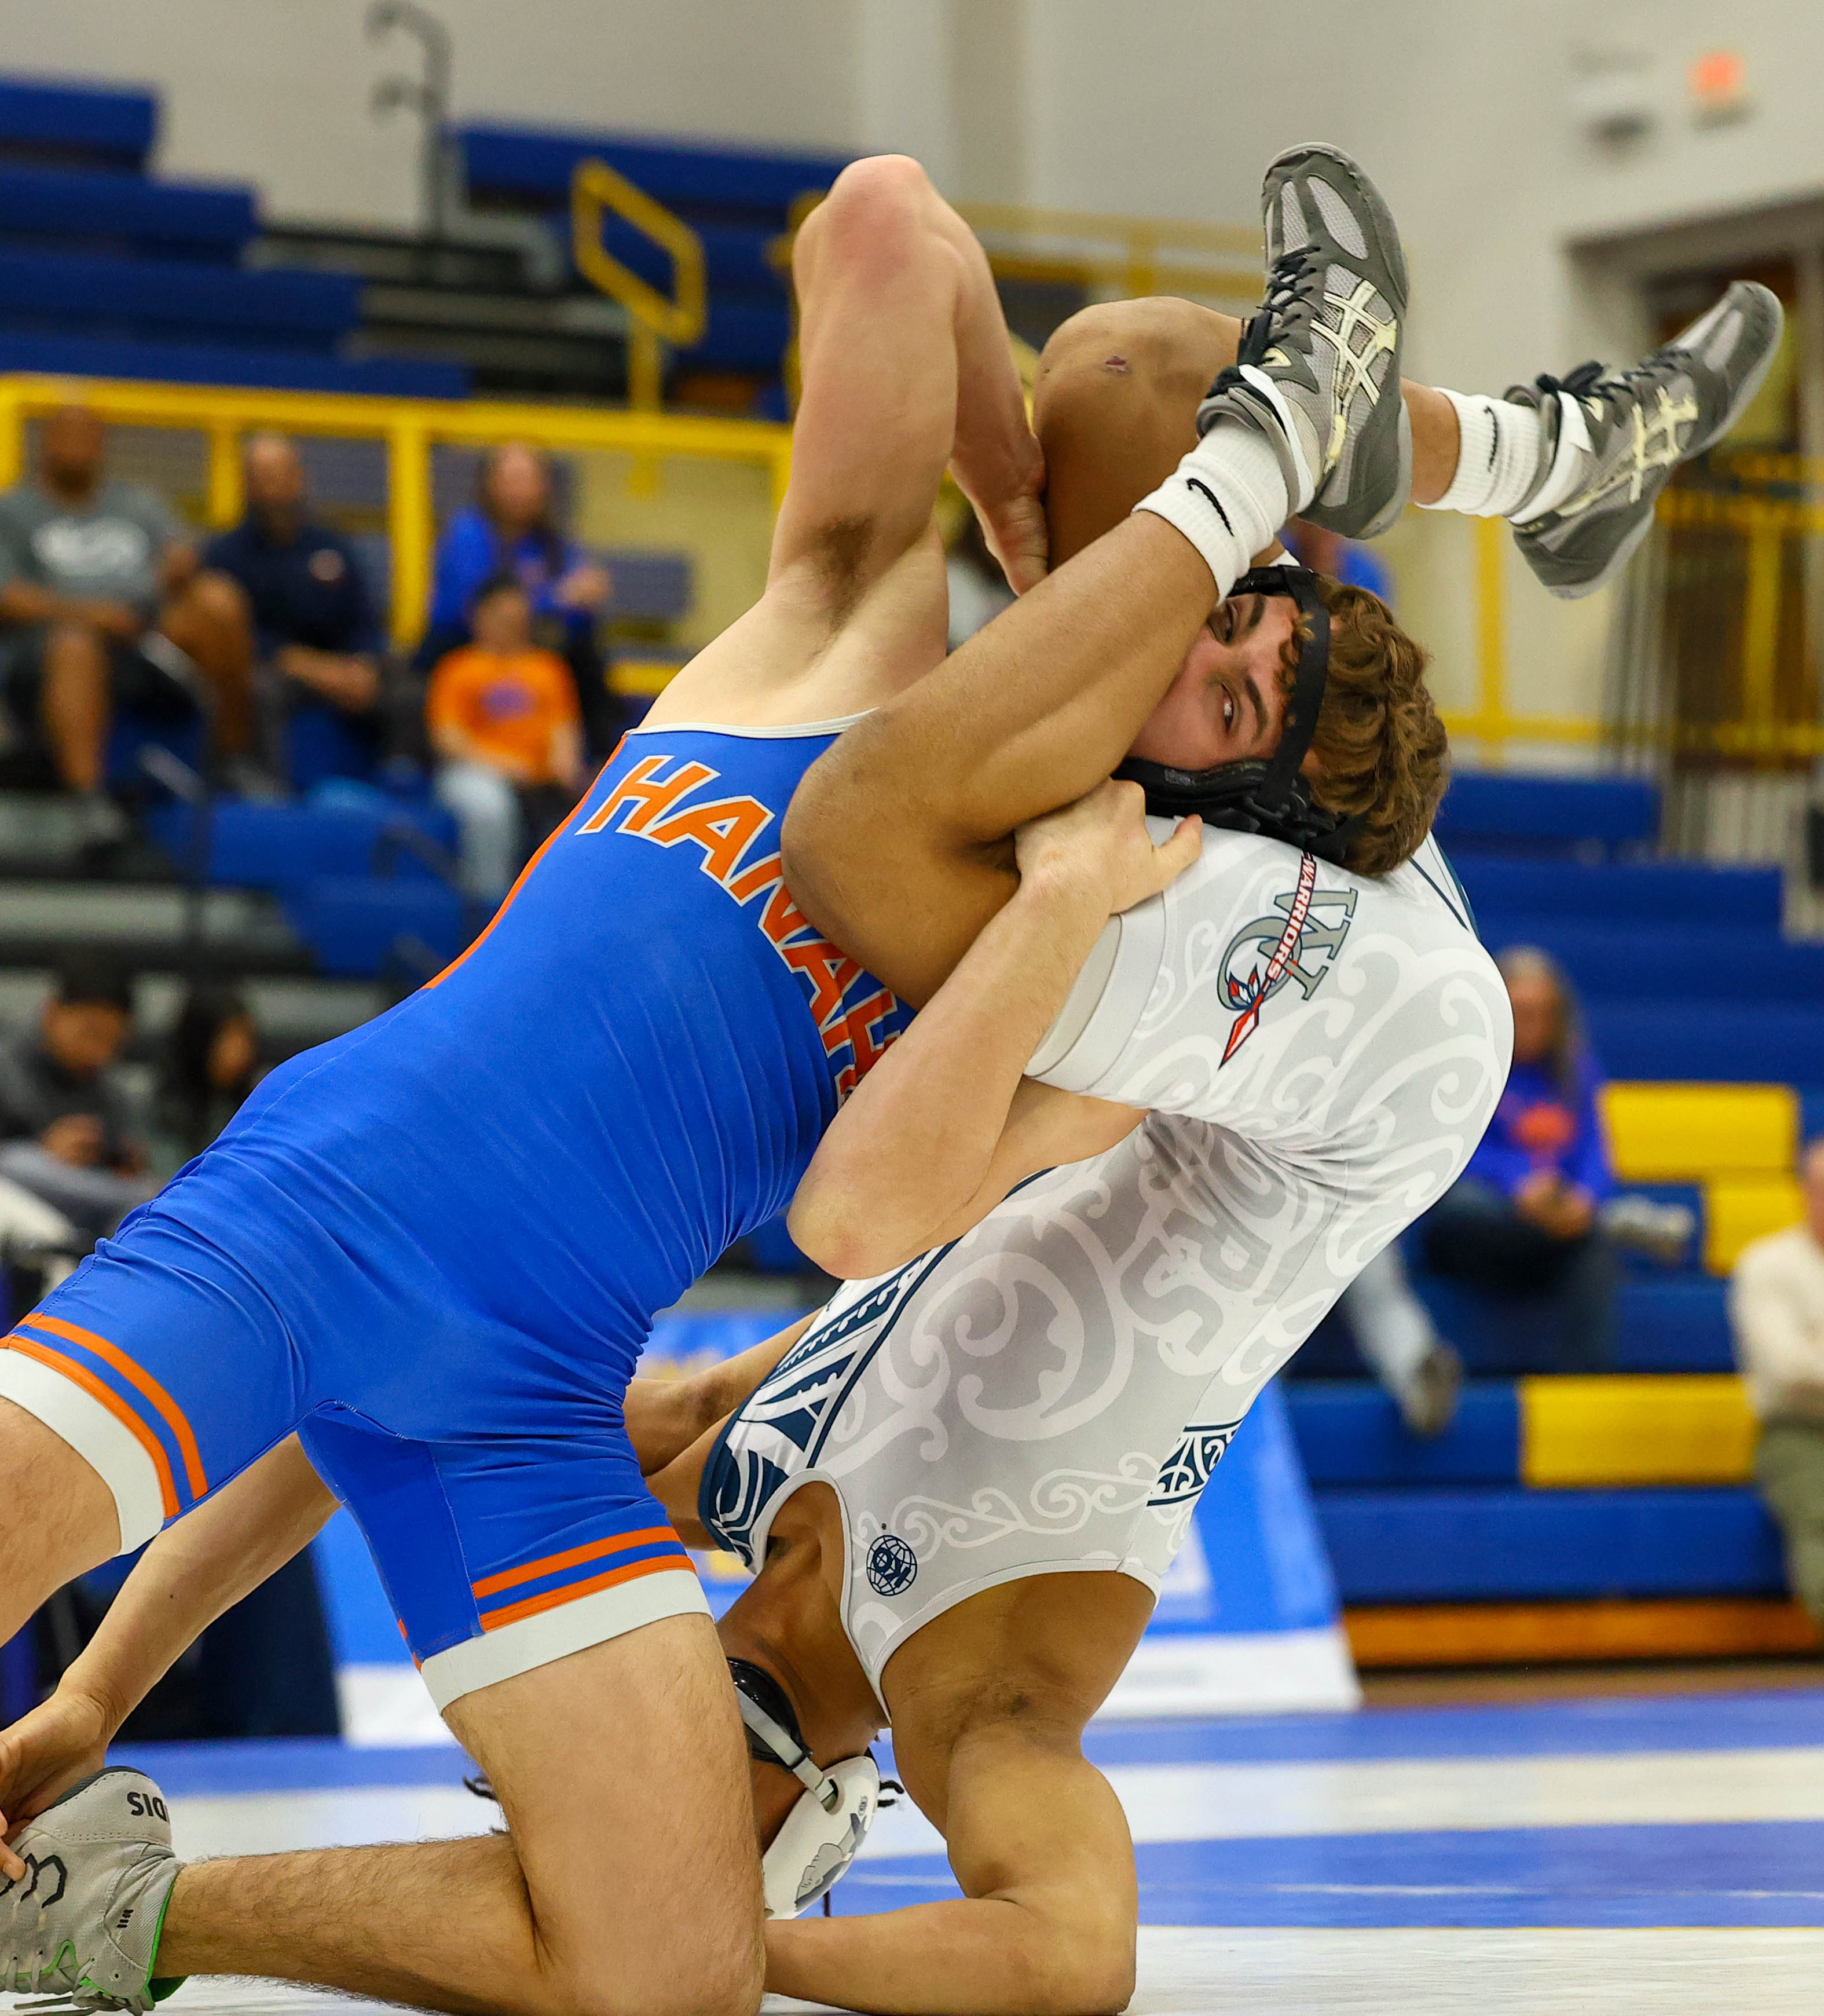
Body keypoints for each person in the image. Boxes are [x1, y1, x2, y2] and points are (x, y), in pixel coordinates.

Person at [0, 148, 1778, 2016]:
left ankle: (95, 1915)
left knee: (672, 1972)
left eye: (1216, 662)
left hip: (527, 1389)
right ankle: (1545, 457)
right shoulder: (848, 633)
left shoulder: (1072, 961)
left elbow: (846, 1216)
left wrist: (1072, 869)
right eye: (1201, 607)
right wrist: (1021, 506)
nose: (1187, 616)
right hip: (326, 1207)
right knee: (1122, 373)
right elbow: (882, 216)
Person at [0, 405, 258, 835]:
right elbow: (8, 597)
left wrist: (173, 572)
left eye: (90, 439)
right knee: (74, 643)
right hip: (49, 654)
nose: (80, 449)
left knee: (219, 601)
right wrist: (92, 615)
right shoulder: (13, 510)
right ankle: (89, 801)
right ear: (46, 444)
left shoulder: (137, 504)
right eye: (68, 437)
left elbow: (180, 554)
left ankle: (234, 759)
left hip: (141, 638)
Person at [1416, 945, 1617, 1371]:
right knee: (1463, 1205)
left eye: (1544, 1013)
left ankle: (1581, 1383)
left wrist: (1583, 1200)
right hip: (1480, 1225)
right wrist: (1518, 1185)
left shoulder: (1577, 1070)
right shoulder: (1464, 1066)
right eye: (1522, 1012)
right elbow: (1446, 1150)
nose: (1533, 1025)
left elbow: (1596, 1152)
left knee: (1595, 1247)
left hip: (1546, 1224)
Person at [203, 435, 387, 789]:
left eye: (279, 474)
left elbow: (364, 618)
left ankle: (400, 780)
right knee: (261, 690)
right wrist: (307, 666)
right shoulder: (225, 555)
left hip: (342, 666)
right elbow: (240, 638)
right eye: (261, 476)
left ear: (300, 477)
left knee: (406, 689)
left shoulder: (333, 546)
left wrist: (363, 664)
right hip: (279, 669)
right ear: (246, 486)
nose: (272, 487)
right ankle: (271, 791)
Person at [423, 441, 617, 755]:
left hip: (533, 646)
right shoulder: (468, 533)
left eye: (530, 479)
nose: (521, 490)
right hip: (462, 645)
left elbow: (577, 602)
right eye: (512, 479)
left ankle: (596, 763)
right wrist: (557, 598)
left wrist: (584, 596)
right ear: (489, 483)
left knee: (585, 656)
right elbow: (475, 606)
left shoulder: (553, 542)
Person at [426, 575, 585, 899]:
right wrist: (506, 766)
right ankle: (489, 904)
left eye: (519, 619)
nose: (513, 627)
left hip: (540, 781)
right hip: (473, 773)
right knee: (490, 808)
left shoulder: (548, 668)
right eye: (504, 619)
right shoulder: (458, 668)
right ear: (479, 617)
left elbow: (564, 730)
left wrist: (567, 770)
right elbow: (447, 739)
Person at [1730, 1137, 1824, 1629]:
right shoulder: (1768, 1263)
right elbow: (1789, 1368)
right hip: (1800, 1432)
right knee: (1820, 1511)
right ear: (1805, 1191)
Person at [0, 956, 153, 1246]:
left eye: (112, 1042)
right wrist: (45, 1152)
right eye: (90, 1034)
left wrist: (123, 1164)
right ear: (52, 1012)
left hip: (91, 1216)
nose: (99, 1053)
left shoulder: (112, 1094)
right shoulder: (7, 1069)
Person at [151, 985, 263, 1173]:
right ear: (201, 1040)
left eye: (247, 1038)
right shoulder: (164, 1111)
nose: (243, 1050)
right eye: (229, 1039)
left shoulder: (255, 1106)